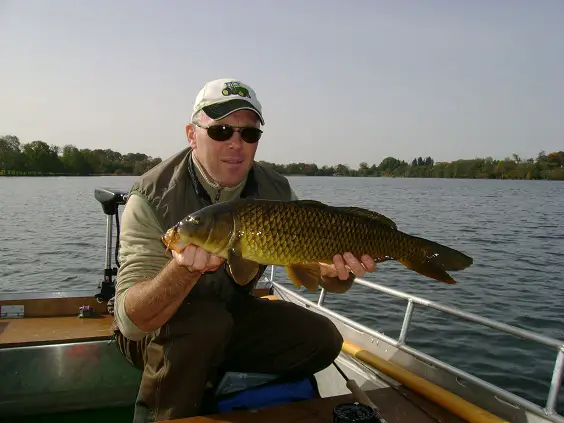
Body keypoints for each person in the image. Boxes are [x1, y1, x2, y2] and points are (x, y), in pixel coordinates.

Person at [111, 78, 377, 422]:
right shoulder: (151, 196)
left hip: (229, 314)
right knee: (203, 324)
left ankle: (217, 379)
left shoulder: (274, 189)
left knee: (321, 338)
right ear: (193, 135)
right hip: (153, 332)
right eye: (221, 131)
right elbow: (133, 322)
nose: (236, 144)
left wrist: (336, 276)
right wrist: (183, 270)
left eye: (249, 134)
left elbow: (315, 272)